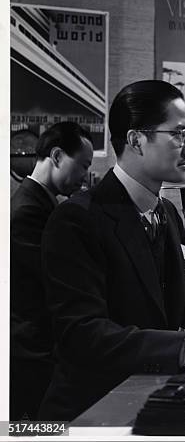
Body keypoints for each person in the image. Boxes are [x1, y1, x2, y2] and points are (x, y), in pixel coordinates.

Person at [38, 81, 185, 421]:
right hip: (92, 410)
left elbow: (171, 297)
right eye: (178, 134)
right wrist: (183, 349)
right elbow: (82, 335)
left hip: (156, 395)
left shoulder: (167, 213)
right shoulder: (76, 219)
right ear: (135, 140)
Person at [10, 122, 94, 421]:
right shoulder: (27, 212)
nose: (85, 177)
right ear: (57, 156)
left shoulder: (42, 204)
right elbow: (57, 277)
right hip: (34, 353)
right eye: (83, 166)